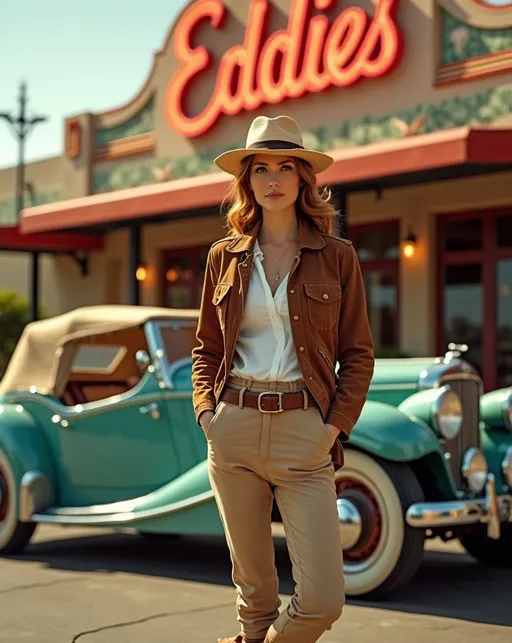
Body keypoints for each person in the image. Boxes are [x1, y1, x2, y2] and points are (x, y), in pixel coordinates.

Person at [192, 115, 374, 643]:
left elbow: (359, 355)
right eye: (262, 168)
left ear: (303, 180)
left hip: (305, 434)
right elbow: (206, 348)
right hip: (234, 430)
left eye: (286, 167)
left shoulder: (337, 258)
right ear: (247, 181)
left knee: (320, 602)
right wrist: (209, 415)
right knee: (255, 599)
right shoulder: (222, 258)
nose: (273, 179)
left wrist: (333, 428)